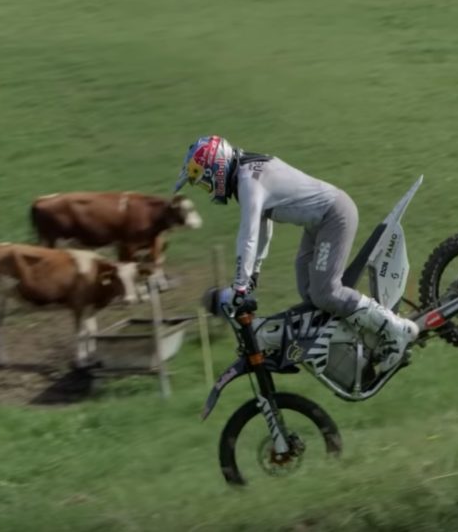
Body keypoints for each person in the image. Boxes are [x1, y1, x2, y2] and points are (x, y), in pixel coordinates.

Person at [173, 135, 418, 372]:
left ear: (216, 167)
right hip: (318, 224)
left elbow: (247, 235)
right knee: (310, 293)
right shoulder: (248, 175)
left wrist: (239, 287)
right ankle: (360, 337)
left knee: (325, 293)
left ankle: (396, 329)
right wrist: (253, 273)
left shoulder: (248, 180)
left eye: (204, 181)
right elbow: (262, 230)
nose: (208, 189)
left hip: (334, 216)